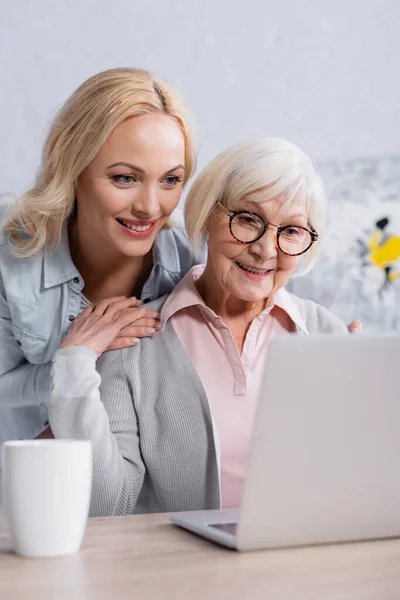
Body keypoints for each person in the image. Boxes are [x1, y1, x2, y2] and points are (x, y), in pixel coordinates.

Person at [48, 138, 354, 517]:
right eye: (247, 220)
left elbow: (355, 489)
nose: (265, 250)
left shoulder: (327, 334)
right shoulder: (137, 339)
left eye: (291, 231)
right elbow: (109, 506)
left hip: (301, 566)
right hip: (184, 572)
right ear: (208, 214)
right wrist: (74, 366)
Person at [0, 67, 203, 446]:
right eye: (125, 178)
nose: (150, 207)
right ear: (73, 169)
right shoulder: (11, 257)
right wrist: (79, 355)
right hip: (27, 470)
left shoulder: (194, 266)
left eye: (170, 180)